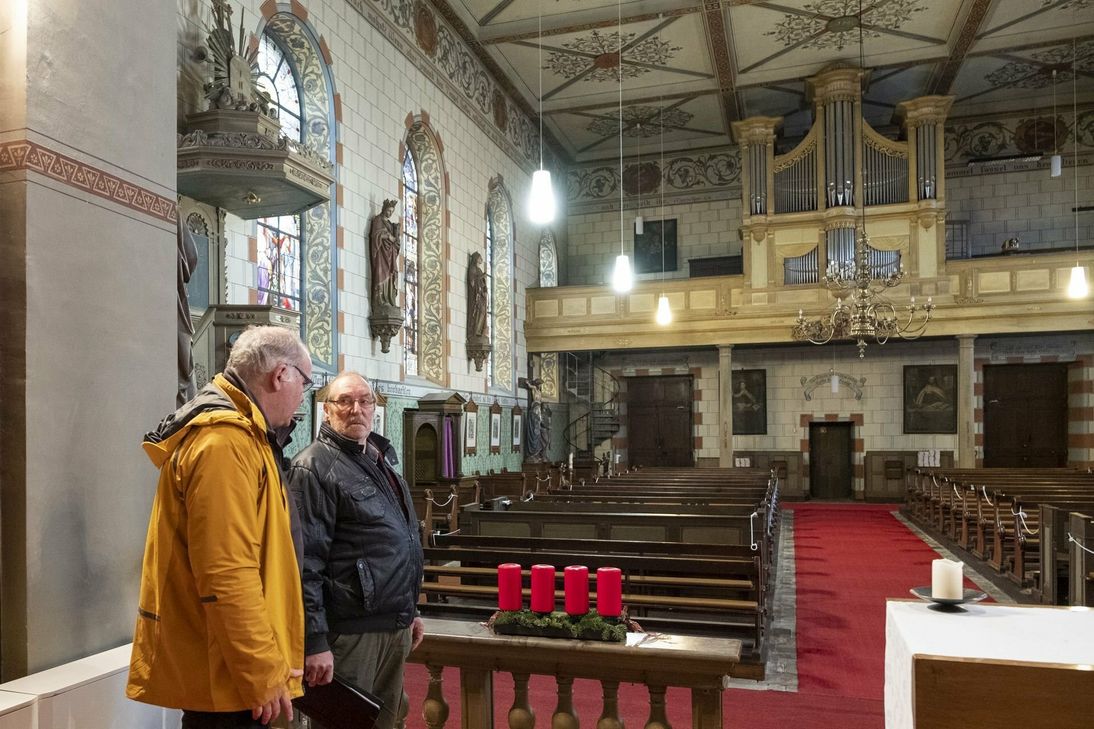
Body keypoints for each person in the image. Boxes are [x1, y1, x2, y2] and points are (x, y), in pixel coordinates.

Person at [127, 325, 312, 728]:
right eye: (306, 382)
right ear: (281, 375)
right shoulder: (224, 444)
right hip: (229, 680)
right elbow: (226, 573)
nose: (303, 397)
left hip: (233, 673)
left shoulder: (246, 437)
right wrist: (261, 671)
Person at [289, 372, 425, 729]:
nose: (356, 409)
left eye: (365, 401)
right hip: (349, 631)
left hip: (392, 625)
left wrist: (410, 608)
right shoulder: (313, 466)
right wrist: (314, 639)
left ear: (375, 408)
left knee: (387, 723)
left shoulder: (381, 460)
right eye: (345, 401)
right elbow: (305, 562)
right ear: (327, 409)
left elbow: (401, 543)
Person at [369, 199, 401, 310]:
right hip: (381, 255)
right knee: (380, 274)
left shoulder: (391, 225)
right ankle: (380, 300)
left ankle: (389, 299)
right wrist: (388, 236)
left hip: (390, 255)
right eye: (388, 211)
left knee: (390, 276)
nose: (390, 213)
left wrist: (396, 237)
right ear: (384, 209)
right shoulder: (378, 220)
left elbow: (396, 242)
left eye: (392, 212)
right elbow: (375, 235)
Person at [467, 251, 488, 338]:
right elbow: (472, 282)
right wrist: (481, 277)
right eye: (480, 258)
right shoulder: (473, 268)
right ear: (476, 259)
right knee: (478, 312)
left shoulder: (479, 270)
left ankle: (479, 330)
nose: (481, 259)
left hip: (482, 295)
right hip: (476, 295)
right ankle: (475, 331)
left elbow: (483, 284)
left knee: (483, 311)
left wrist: (485, 290)